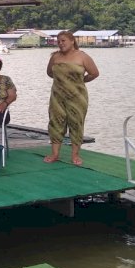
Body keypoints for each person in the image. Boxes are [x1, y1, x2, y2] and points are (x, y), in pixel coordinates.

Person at [43, 30, 99, 166]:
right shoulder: (55, 57)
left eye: (63, 41)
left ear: (72, 41)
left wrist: (78, 82)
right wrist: (63, 81)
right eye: (58, 41)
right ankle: (55, 154)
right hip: (57, 96)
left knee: (76, 123)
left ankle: (75, 155)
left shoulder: (82, 56)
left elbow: (94, 73)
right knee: (56, 123)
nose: (61, 44)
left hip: (77, 96)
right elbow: (50, 72)